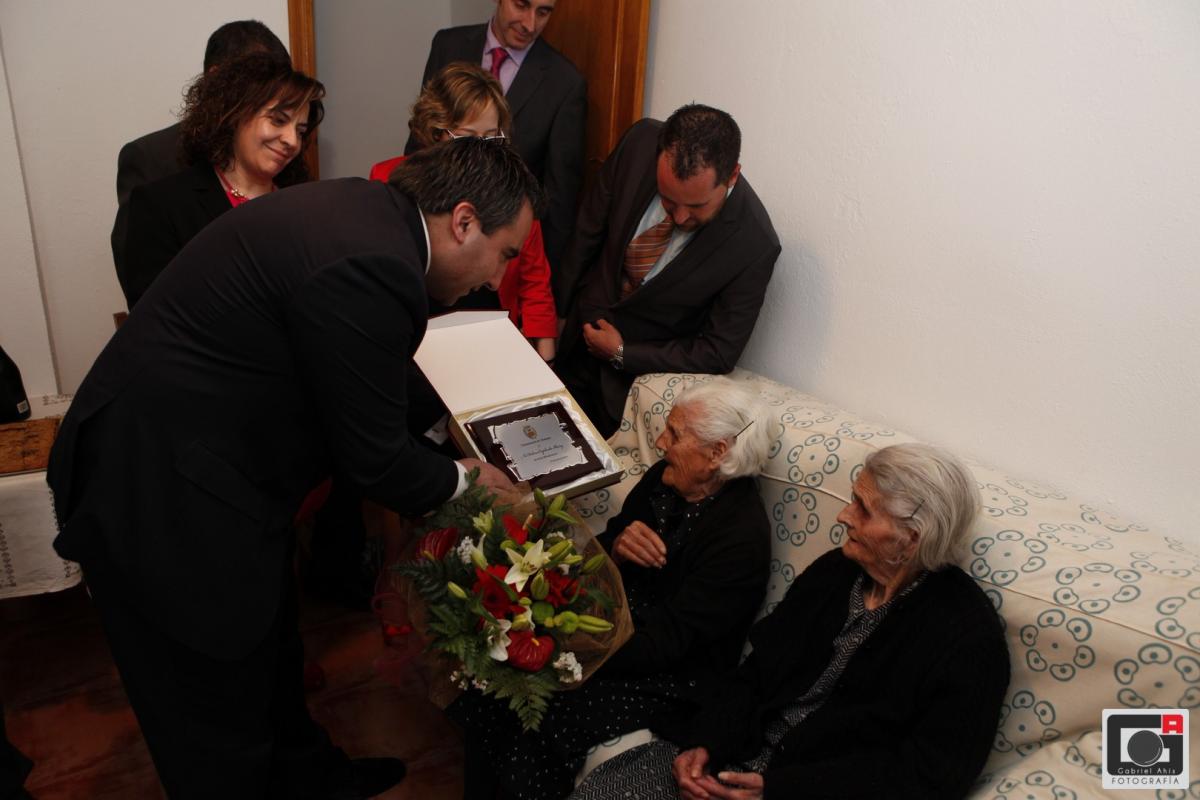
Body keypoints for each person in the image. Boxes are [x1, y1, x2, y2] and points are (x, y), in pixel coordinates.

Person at [46, 138, 541, 800]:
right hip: (156, 488)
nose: (497, 278)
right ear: (464, 221)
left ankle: (311, 778)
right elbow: (374, 461)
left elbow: (364, 378)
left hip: (217, 471)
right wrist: (467, 479)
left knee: (269, 653)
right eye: (506, 254)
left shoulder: (374, 218)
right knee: (212, 707)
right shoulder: (377, 262)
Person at [571, 443, 1011, 800]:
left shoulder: (967, 639)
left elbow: (929, 777)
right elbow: (755, 674)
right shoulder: (834, 573)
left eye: (863, 509)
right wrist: (706, 744)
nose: (844, 516)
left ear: (911, 539)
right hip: (734, 754)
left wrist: (779, 790)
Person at [451, 378, 773, 800]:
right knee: (494, 682)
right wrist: (618, 548)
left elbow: (669, 645)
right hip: (612, 629)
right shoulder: (666, 479)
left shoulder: (739, 541)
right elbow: (601, 549)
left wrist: (567, 647)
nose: (660, 442)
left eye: (675, 434)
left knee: (541, 708)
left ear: (717, 453)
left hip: (670, 676)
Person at [553, 105, 781, 438]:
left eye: (697, 206)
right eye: (668, 201)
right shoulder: (639, 142)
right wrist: (558, 313)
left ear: (732, 175)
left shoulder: (754, 244)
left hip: (623, 394)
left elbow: (718, 352)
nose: (680, 218)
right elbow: (588, 228)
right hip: (571, 340)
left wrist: (623, 353)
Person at [371, 62, 557, 359]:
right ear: (436, 133)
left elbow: (534, 279)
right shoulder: (390, 180)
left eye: (491, 138)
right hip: (419, 330)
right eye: (468, 137)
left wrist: (546, 355)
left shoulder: (515, 196)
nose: (482, 151)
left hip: (488, 330)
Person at [118, 53, 324, 309]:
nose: (292, 141)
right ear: (236, 113)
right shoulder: (162, 204)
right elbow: (154, 315)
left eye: (300, 131)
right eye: (278, 120)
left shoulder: (303, 205)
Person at [412, 0, 585, 273]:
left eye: (543, 12)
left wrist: (549, 284)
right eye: (521, 5)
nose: (530, 24)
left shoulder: (565, 83)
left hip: (506, 262)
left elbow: (559, 201)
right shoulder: (448, 45)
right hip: (432, 244)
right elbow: (419, 142)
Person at [111, 20, 290, 280]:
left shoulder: (282, 152)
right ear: (215, 79)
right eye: (262, 85)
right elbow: (141, 281)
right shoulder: (151, 157)